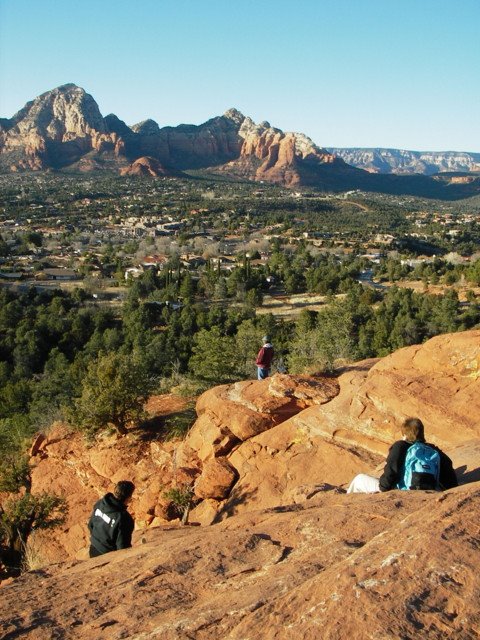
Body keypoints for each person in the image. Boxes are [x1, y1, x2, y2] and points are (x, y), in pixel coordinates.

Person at [347, 417, 458, 493]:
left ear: (404, 434)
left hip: (402, 490)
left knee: (359, 479)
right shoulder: (433, 449)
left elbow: (391, 471)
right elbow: (451, 478)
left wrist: (383, 488)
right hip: (430, 490)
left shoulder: (400, 446)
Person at [88, 480, 135, 557]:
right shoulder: (124, 518)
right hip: (108, 555)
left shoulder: (101, 503)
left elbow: (90, 525)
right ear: (129, 497)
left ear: (115, 491)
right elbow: (123, 546)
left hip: (93, 548)